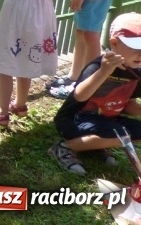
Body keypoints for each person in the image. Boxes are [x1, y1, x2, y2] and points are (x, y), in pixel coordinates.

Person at [49, 12, 141, 175]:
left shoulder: (136, 73)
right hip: (74, 119)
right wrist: (104, 72)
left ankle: (93, 146)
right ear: (114, 43)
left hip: (106, 120)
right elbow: (80, 96)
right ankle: (63, 148)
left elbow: (129, 106)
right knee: (120, 134)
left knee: (125, 131)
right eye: (135, 47)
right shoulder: (98, 65)